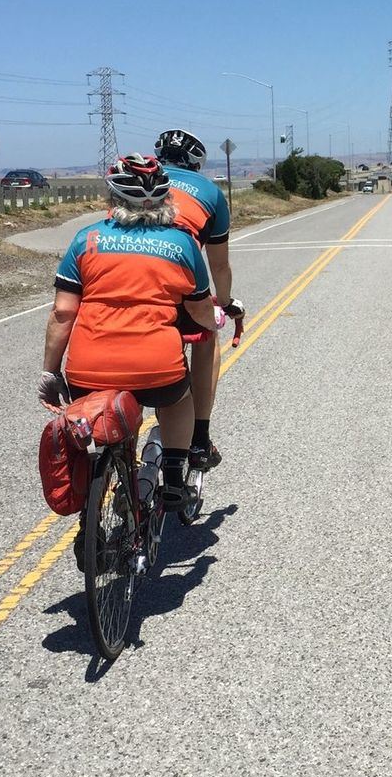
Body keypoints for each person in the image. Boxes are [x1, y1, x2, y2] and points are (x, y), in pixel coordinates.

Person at [38, 154, 219, 509]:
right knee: (179, 399)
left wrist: (49, 372)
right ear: (166, 199)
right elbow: (199, 310)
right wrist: (213, 322)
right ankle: (172, 477)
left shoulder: (86, 239)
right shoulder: (182, 243)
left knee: (108, 410)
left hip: (88, 371)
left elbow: (63, 312)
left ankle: (109, 477)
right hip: (157, 369)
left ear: (113, 198)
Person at [153, 128, 243, 473]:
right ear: (196, 163)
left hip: (123, 274)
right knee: (207, 336)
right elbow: (219, 264)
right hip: (179, 275)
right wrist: (225, 301)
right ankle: (199, 438)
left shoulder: (136, 181)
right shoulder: (209, 192)